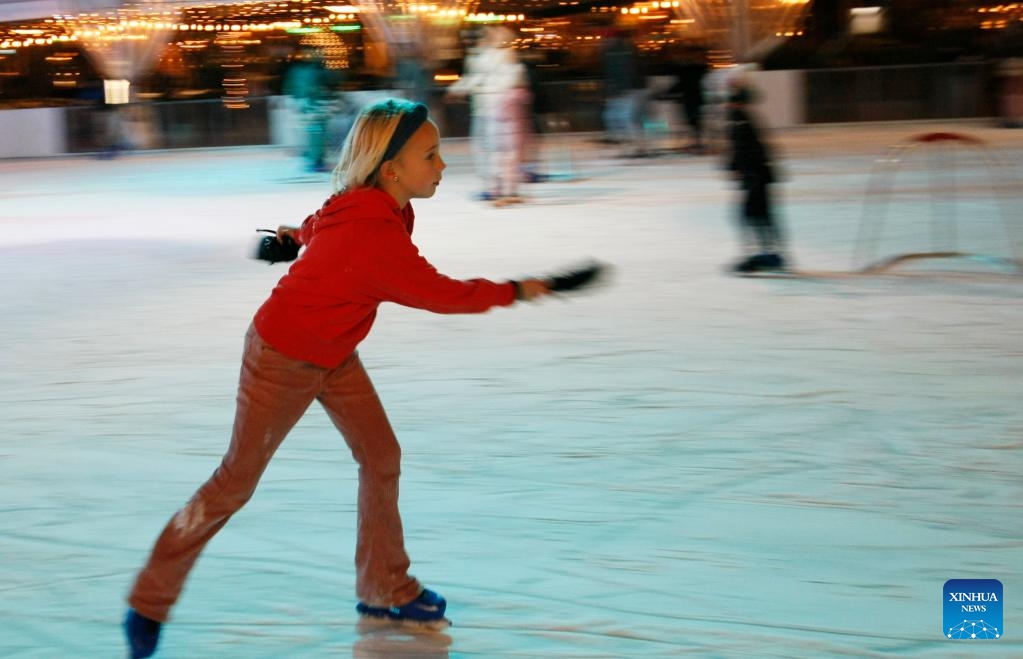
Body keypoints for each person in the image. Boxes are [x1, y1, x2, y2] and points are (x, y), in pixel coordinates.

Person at [122, 98, 551, 659]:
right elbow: (443, 294)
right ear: (391, 167)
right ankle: (149, 602)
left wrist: (293, 240)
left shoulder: (376, 206)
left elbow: (321, 221)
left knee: (380, 456)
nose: (443, 164)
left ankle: (385, 588)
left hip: (333, 351)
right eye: (431, 154)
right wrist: (516, 290)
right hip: (281, 356)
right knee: (234, 483)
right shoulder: (374, 230)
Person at [725, 81, 787, 273]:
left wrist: (738, 170)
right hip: (758, 174)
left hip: (756, 175)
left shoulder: (739, 119)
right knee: (760, 214)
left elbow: (746, 149)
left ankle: (765, 255)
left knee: (752, 214)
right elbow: (750, 148)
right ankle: (770, 254)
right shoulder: (743, 118)